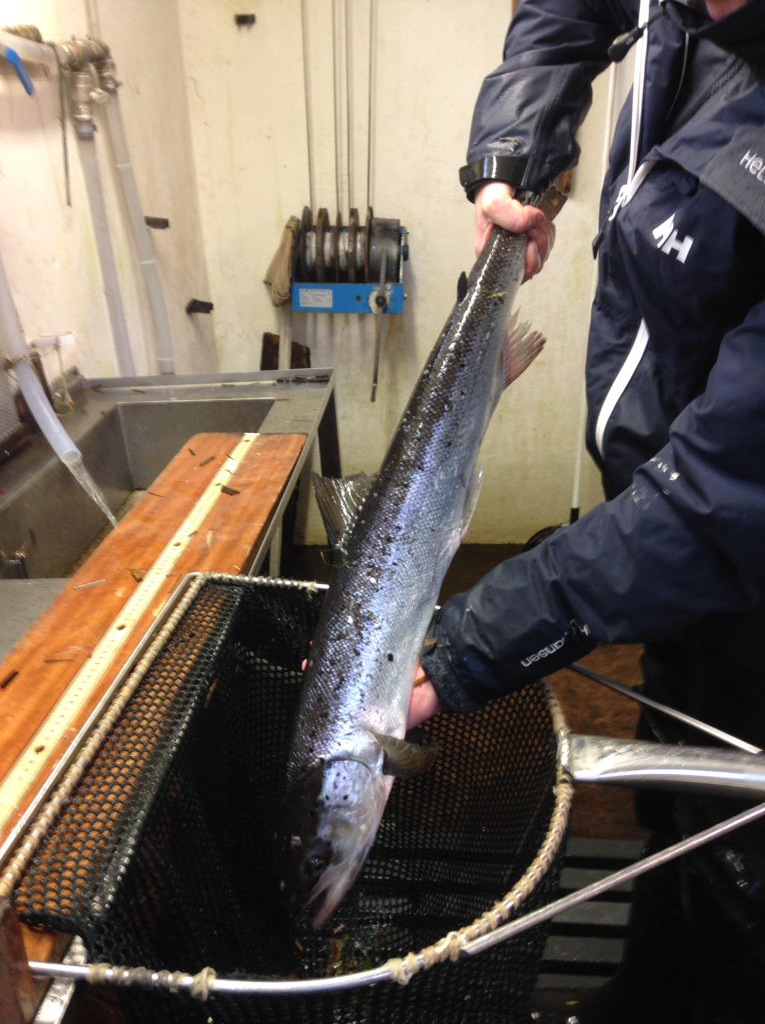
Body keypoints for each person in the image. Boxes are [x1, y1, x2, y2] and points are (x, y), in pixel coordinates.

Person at [408, 2, 765, 1021]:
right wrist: (512, 154)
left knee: (742, 845)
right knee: (680, 796)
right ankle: (659, 980)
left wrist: (468, 647)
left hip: (737, 545)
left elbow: (719, 503)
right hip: (671, 543)